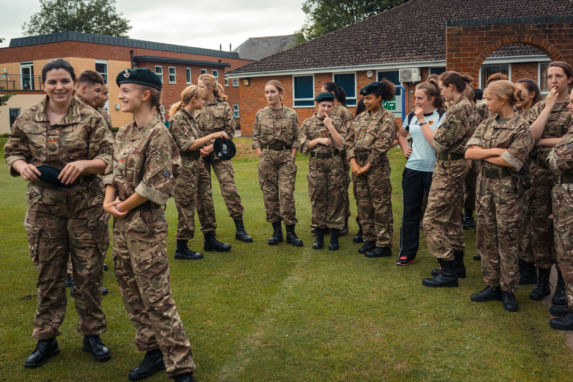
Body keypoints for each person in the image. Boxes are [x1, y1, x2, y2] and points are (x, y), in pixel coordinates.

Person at [4, 58, 112, 368]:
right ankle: (46, 338)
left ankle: (92, 334)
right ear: (43, 85)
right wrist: (21, 165)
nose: (59, 87)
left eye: (65, 81)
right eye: (52, 81)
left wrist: (85, 164)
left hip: (85, 210)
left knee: (88, 273)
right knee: (48, 275)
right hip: (44, 210)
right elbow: (12, 150)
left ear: (74, 83)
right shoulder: (27, 118)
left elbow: (109, 155)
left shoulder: (91, 118)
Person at [103, 68, 196, 382]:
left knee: (156, 296)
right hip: (121, 225)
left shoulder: (159, 133)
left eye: (126, 89)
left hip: (145, 225)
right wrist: (108, 199)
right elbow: (113, 173)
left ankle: (180, 363)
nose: (120, 95)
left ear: (146, 94)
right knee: (130, 291)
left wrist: (121, 207)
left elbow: (157, 183)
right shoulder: (124, 133)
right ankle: (152, 350)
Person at [465, 80, 534, 312]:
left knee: (508, 239)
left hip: (508, 192)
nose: (486, 102)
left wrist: (482, 154)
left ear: (502, 100)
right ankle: (491, 285)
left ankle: (508, 289)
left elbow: (512, 161)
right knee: (486, 237)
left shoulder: (521, 127)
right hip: (485, 189)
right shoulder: (486, 124)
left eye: (489, 98)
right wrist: (495, 151)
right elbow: (469, 151)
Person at [422, 71, 475, 288]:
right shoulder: (461, 107)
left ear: (451, 87)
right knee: (453, 217)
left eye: (442, 88)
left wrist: (427, 128)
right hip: (452, 164)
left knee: (432, 220)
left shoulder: (458, 109)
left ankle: (448, 268)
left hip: (450, 166)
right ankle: (458, 266)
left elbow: (440, 142)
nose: (441, 93)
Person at [526, 61, 573, 303]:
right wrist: (547, 107)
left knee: (565, 235)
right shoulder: (541, 106)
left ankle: (564, 287)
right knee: (540, 229)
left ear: (569, 79)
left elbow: (569, 142)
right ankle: (543, 280)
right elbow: (529, 136)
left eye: (558, 76)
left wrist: (544, 142)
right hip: (540, 177)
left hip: (565, 178)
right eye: (549, 76)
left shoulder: (572, 107)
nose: (553, 81)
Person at [169, 85, 229, 260]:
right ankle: (182, 246)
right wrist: (213, 135)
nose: (204, 101)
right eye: (202, 98)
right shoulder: (178, 119)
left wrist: (205, 148)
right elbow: (187, 145)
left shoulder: (192, 118)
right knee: (186, 206)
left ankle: (210, 239)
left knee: (206, 201)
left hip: (198, 164)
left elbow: (196, 144)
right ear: (194, 99)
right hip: (184, 168)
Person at [196, 73, 252, 243]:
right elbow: (189, 131)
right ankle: (209, 233)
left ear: (211, 87)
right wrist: (200, 149)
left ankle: (240, 228)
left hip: (220, 154)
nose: (198, 90)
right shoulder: (195, 104)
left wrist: (213, 146)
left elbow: (230, 130)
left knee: (230, 190)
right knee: (203, 194)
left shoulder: (224, 106)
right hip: (200, 155)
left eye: (201, 86)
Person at [396, 79, 445, 266]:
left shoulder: (442, 116)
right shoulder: (410, 117)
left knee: (437, 215)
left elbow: (434, 143)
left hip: (435, 171)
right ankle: (407, 253)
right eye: (415, 97)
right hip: (413, 171)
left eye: (420, 98)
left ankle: (442, 258)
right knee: (410, 213)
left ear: (432, 98)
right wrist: (404, 148)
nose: (416, 101)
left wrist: (423, 120)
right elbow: (401, 134)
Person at [345, 80, 397, 258]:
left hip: (376, 167)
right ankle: (369, 239)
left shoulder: (387, 117)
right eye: (364, 99)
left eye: (369, 98)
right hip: (358, 167)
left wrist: (366, 166)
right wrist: (353, 163)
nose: (366, 102)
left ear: (379, 98)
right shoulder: (360, 118)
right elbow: (349, 140)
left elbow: (382, 144)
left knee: (380, 205)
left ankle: (384, 244)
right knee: (363, 204)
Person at [252, 80, 303, 246]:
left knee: (287, 193)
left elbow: (297, 137)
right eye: (267, 92)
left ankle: (291, 232)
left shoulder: (291, 114)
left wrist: (292, 155)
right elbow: (255, 137)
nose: (269, 95)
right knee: (269, 194)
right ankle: (276, 231)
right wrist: (261, 155)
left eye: (272, 92)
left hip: (285, 156)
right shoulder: (260, 114)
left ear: (281, 93)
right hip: (267, 157)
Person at [298, 92, 346, 250]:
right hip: (316, 163)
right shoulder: (307, 123)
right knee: (317, 198)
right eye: (323, 105)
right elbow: (302, 146)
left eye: (329, 106)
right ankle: (319, 236)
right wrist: (318, 140)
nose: (326, 108)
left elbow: (342, 144)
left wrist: (330, 126)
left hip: (334, 163)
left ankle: (334, 237)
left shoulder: (337, 121)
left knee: (335, 198)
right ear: (317, 105)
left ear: (333, 106)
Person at [547, 89, 573, 330]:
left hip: (569, 195)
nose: (569, 107)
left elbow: (558, 160)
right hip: (563, 195)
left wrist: (554, 151)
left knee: (569, 253)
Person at [515, 78, 542, 285]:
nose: (516, 95)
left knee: (535, 223)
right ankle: (524, 266)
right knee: (521, 222)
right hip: (521, 174)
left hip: (538, 174)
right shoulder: (518, 114)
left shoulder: (538, 112)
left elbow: (530, 139)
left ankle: (533, 271)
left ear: (532, 94)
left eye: (520, 91)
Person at [321, 82, 353, 235]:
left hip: (340, 157)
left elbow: (348, 137)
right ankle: (329, 223)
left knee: (341, 191)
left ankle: (343, 223)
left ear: (332, 94)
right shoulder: (326, 109)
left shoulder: (343, 112)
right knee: (328, 192)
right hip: (326, 159)